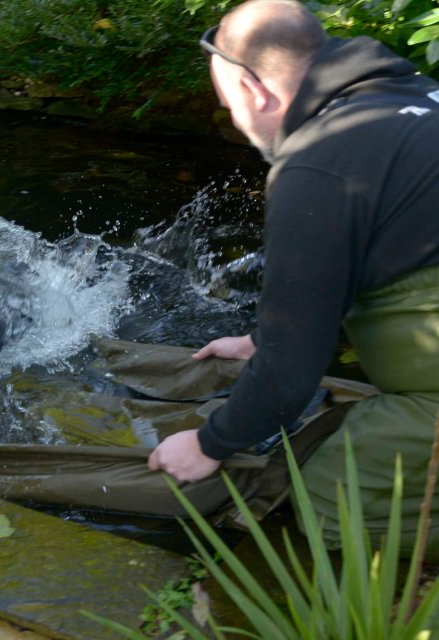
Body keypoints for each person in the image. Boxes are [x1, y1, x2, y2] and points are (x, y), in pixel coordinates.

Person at [148, 0, 439, 555]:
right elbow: (384, 242)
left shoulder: (317, 165)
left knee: (328, 508)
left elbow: (292, 370)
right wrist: (262, 337)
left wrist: (210, 443)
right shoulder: (409, 96)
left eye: (227, 101)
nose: (234, 118)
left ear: (255, 93)